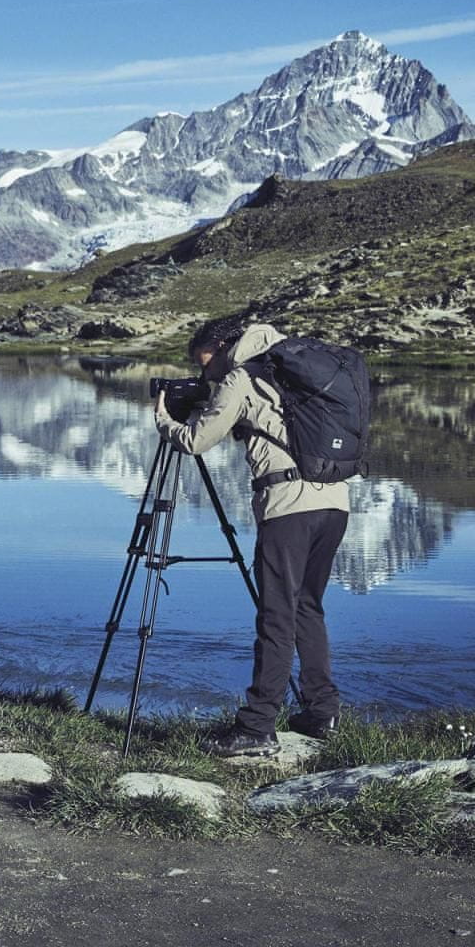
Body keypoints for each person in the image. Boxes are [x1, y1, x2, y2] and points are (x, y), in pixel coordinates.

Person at [154, 318, 350, 756]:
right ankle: (322, 712)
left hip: (288, 508)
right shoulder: (293, 367)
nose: (207, 377)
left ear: (222, 347)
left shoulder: (243, 377)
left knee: (276, 616)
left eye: (206, 367)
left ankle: (257, 727)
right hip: (335, 502)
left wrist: (165, 419)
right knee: (307, 609)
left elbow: (195, 440)